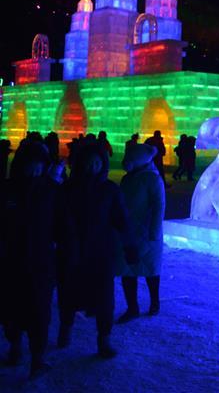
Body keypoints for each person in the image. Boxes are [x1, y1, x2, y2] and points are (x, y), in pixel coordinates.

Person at [56, 141, 135, 359]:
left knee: (104, 298)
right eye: (88, 163)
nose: (92, 167)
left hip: (100, 252)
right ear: (80, 164)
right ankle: (66, 327)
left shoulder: (109, 189)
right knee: (68, 294)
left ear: (103, 164)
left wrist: (130, 245)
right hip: (71, 251)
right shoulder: (67, 189)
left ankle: (104, 339)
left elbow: (122, 220)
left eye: (97, 163)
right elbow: (56, 219)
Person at [0, 141, 59, 379]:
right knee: (10, 309)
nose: (34, 170)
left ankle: (37, 358)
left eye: (39, 165)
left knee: (39, 313)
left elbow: (63, 226)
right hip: (10, 261)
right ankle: (15, 345)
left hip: (40, 263)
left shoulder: (52, 191)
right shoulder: (6, 190)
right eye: (30, 164)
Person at [115, 144, 165, 321]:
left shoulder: (152, 179)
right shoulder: (128, 178)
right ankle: (132, 307)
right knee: (127, 270)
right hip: (129, 231)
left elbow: (159, 206)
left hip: (147, 232)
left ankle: (154, 303)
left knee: (150, 270)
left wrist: (154, 232)